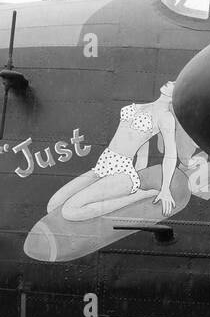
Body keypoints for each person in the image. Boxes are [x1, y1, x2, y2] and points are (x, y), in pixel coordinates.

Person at [46, 81, 180, 222]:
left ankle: (135, 197)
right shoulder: (141, 106)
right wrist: (141, 168)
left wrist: (165, 189)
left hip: (123, 173)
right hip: (103, 165)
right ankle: (131, 192)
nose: (170, 81)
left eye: (175, 83)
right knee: (53, 205)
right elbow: (142, 146)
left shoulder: (166, 117)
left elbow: (171, 154)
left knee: (69, 211)